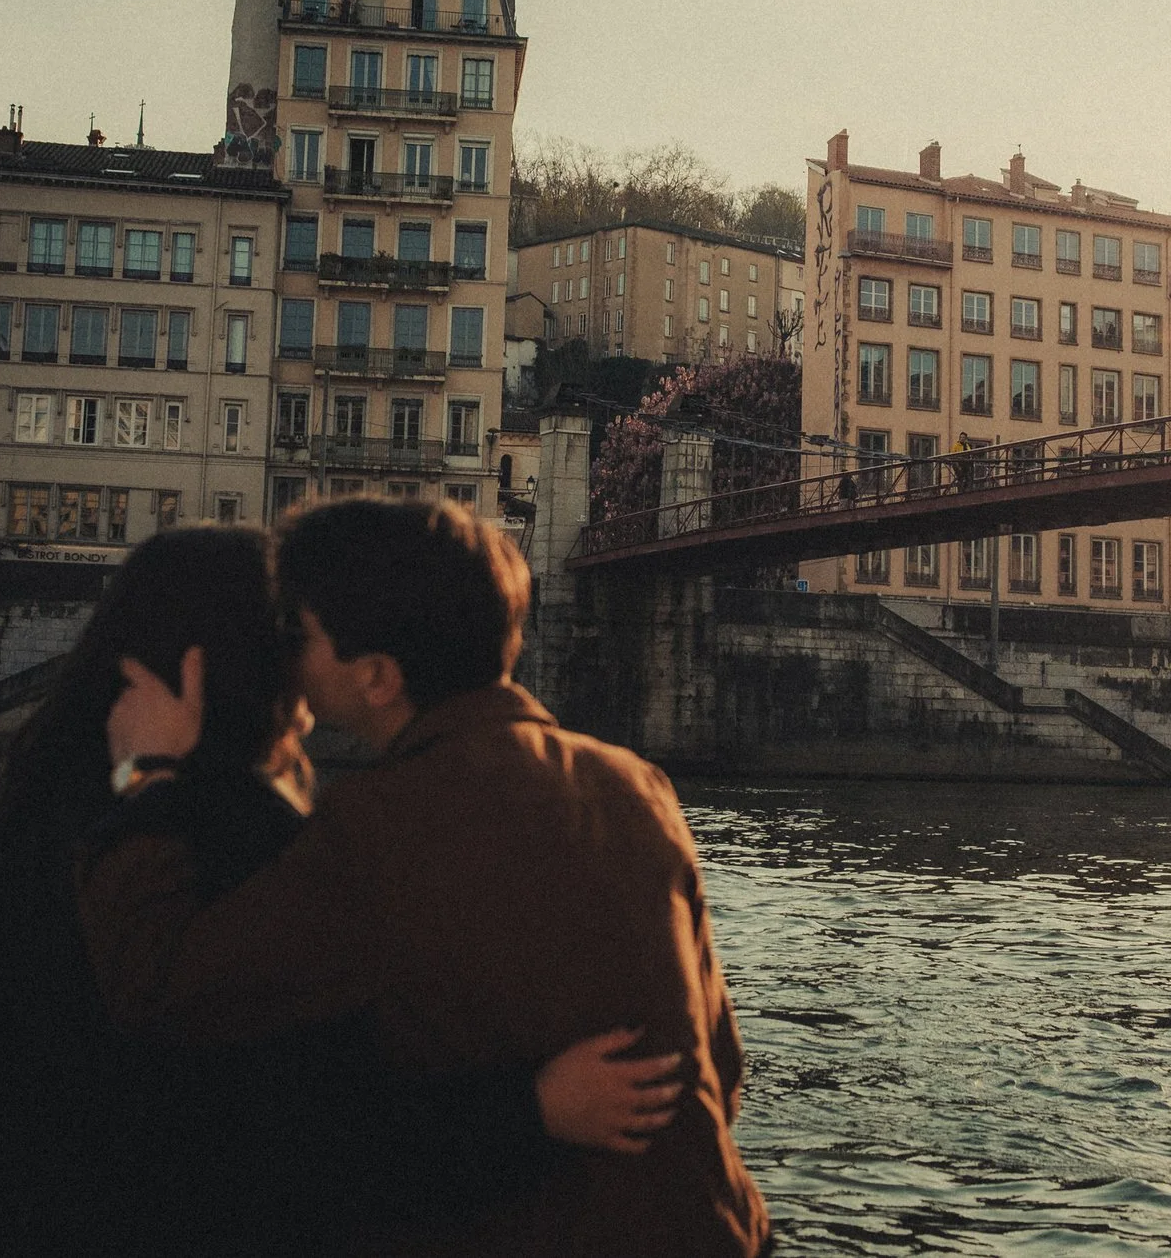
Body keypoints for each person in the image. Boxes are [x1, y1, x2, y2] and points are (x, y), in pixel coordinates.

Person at [0, 525, 680, 1258]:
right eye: (295, 634)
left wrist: (142, 776)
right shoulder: (248, 840)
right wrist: (532, 1109)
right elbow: (324, 1137)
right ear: (255, 663)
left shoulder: (34, 825)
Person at [82, 498, 772, 1257]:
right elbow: (724, 1069)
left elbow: (161, 984)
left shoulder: (376, 825)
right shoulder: (638, 785)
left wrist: (146, 776)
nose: (285, 658)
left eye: (299, 636)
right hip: (720, 1227)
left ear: (376, 676)